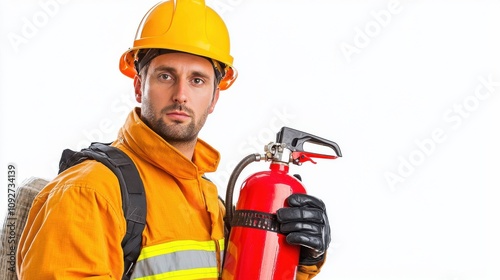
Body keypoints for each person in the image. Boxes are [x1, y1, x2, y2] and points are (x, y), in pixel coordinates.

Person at [16, 0, 331, 279]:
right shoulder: (88, 193)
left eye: (197, 80)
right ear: (139, 87)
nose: (181, 95)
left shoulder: (209, 201)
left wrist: (299, 257)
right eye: (165, 76)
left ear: (213, 99)